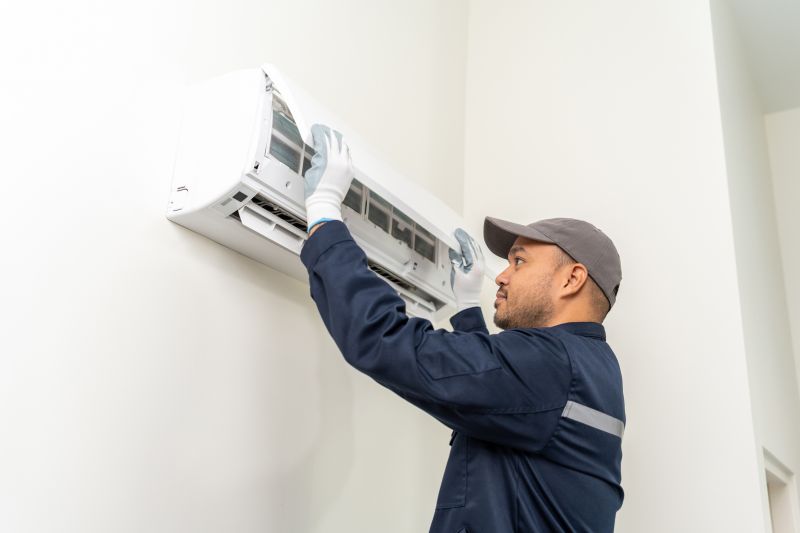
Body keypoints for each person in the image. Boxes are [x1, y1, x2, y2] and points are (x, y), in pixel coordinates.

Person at [300, 124, 625, 533]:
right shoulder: (591, 369)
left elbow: (388, 342)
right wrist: (468, 307)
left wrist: (325, 217)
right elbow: (494, 400)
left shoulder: (553, 365)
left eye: (519, 262)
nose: (502, 277)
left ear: (572, 279)